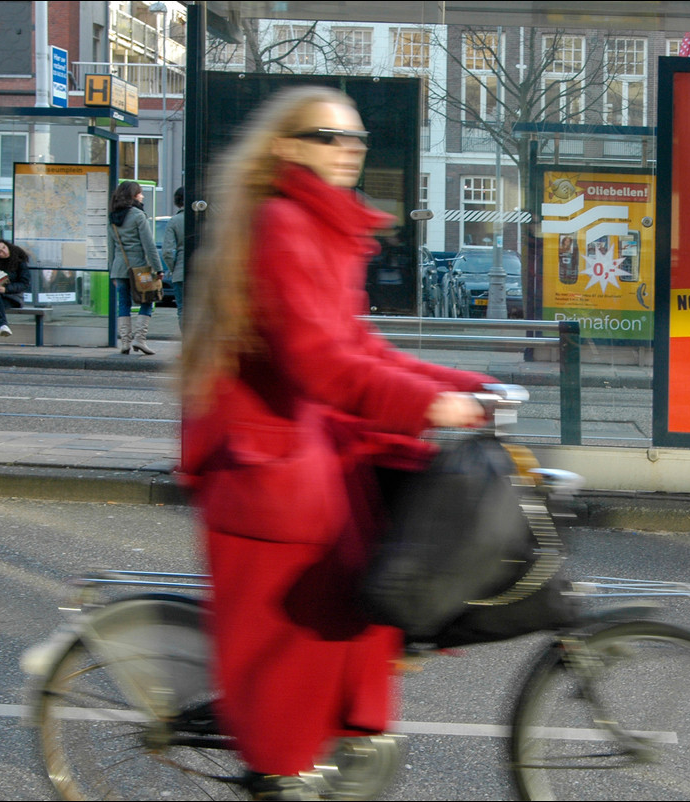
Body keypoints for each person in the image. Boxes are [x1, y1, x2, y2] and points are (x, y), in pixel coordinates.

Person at [179, 86, 491, 800]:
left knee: (373, 577)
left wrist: (465, 384)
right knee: (321, 619)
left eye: (355, 138)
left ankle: (323, 747)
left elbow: (360, 345)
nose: (349, 148)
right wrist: (430, 403)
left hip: (302, 447)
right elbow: (318, 361)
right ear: (286, 147)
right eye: (328, 136)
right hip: (269, 466)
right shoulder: (285, 224)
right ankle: (280, 773)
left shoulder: (318, 225)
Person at [107, 180, 163, 355]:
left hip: (119, 268)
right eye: (139, 193)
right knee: (148, 300)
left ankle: (125, 342)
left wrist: (112, 273)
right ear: (132, 196)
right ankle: (140, 339)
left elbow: (111, 247)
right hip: (140, 269)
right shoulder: (138, 215)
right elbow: (149, 245)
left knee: (123, 303)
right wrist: (158, 268)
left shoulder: (112, 217)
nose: (142, 195)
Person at [162, 186, 186, 329]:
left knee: (183, 310)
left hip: (180, 273)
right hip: (203, 273)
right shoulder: (204, 219)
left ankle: (186, 343)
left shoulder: (174, 221)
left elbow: (167, 252)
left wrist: (173, 268)